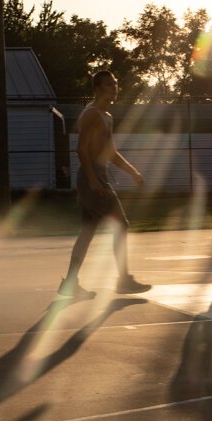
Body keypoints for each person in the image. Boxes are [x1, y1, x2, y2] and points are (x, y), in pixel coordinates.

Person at [57, 70, 151, 299]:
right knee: (121, 224)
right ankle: (123, 280)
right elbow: (81, 149)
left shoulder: (106, 116)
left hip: (95, 178)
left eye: (115, 83)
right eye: (109, 85)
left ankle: (70, 283)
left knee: (87, 232)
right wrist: (92, 180)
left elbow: (111, 153)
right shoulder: (92, 115)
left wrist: (133, 172)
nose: (114, 88)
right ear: (97, 89)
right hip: (93, 180)